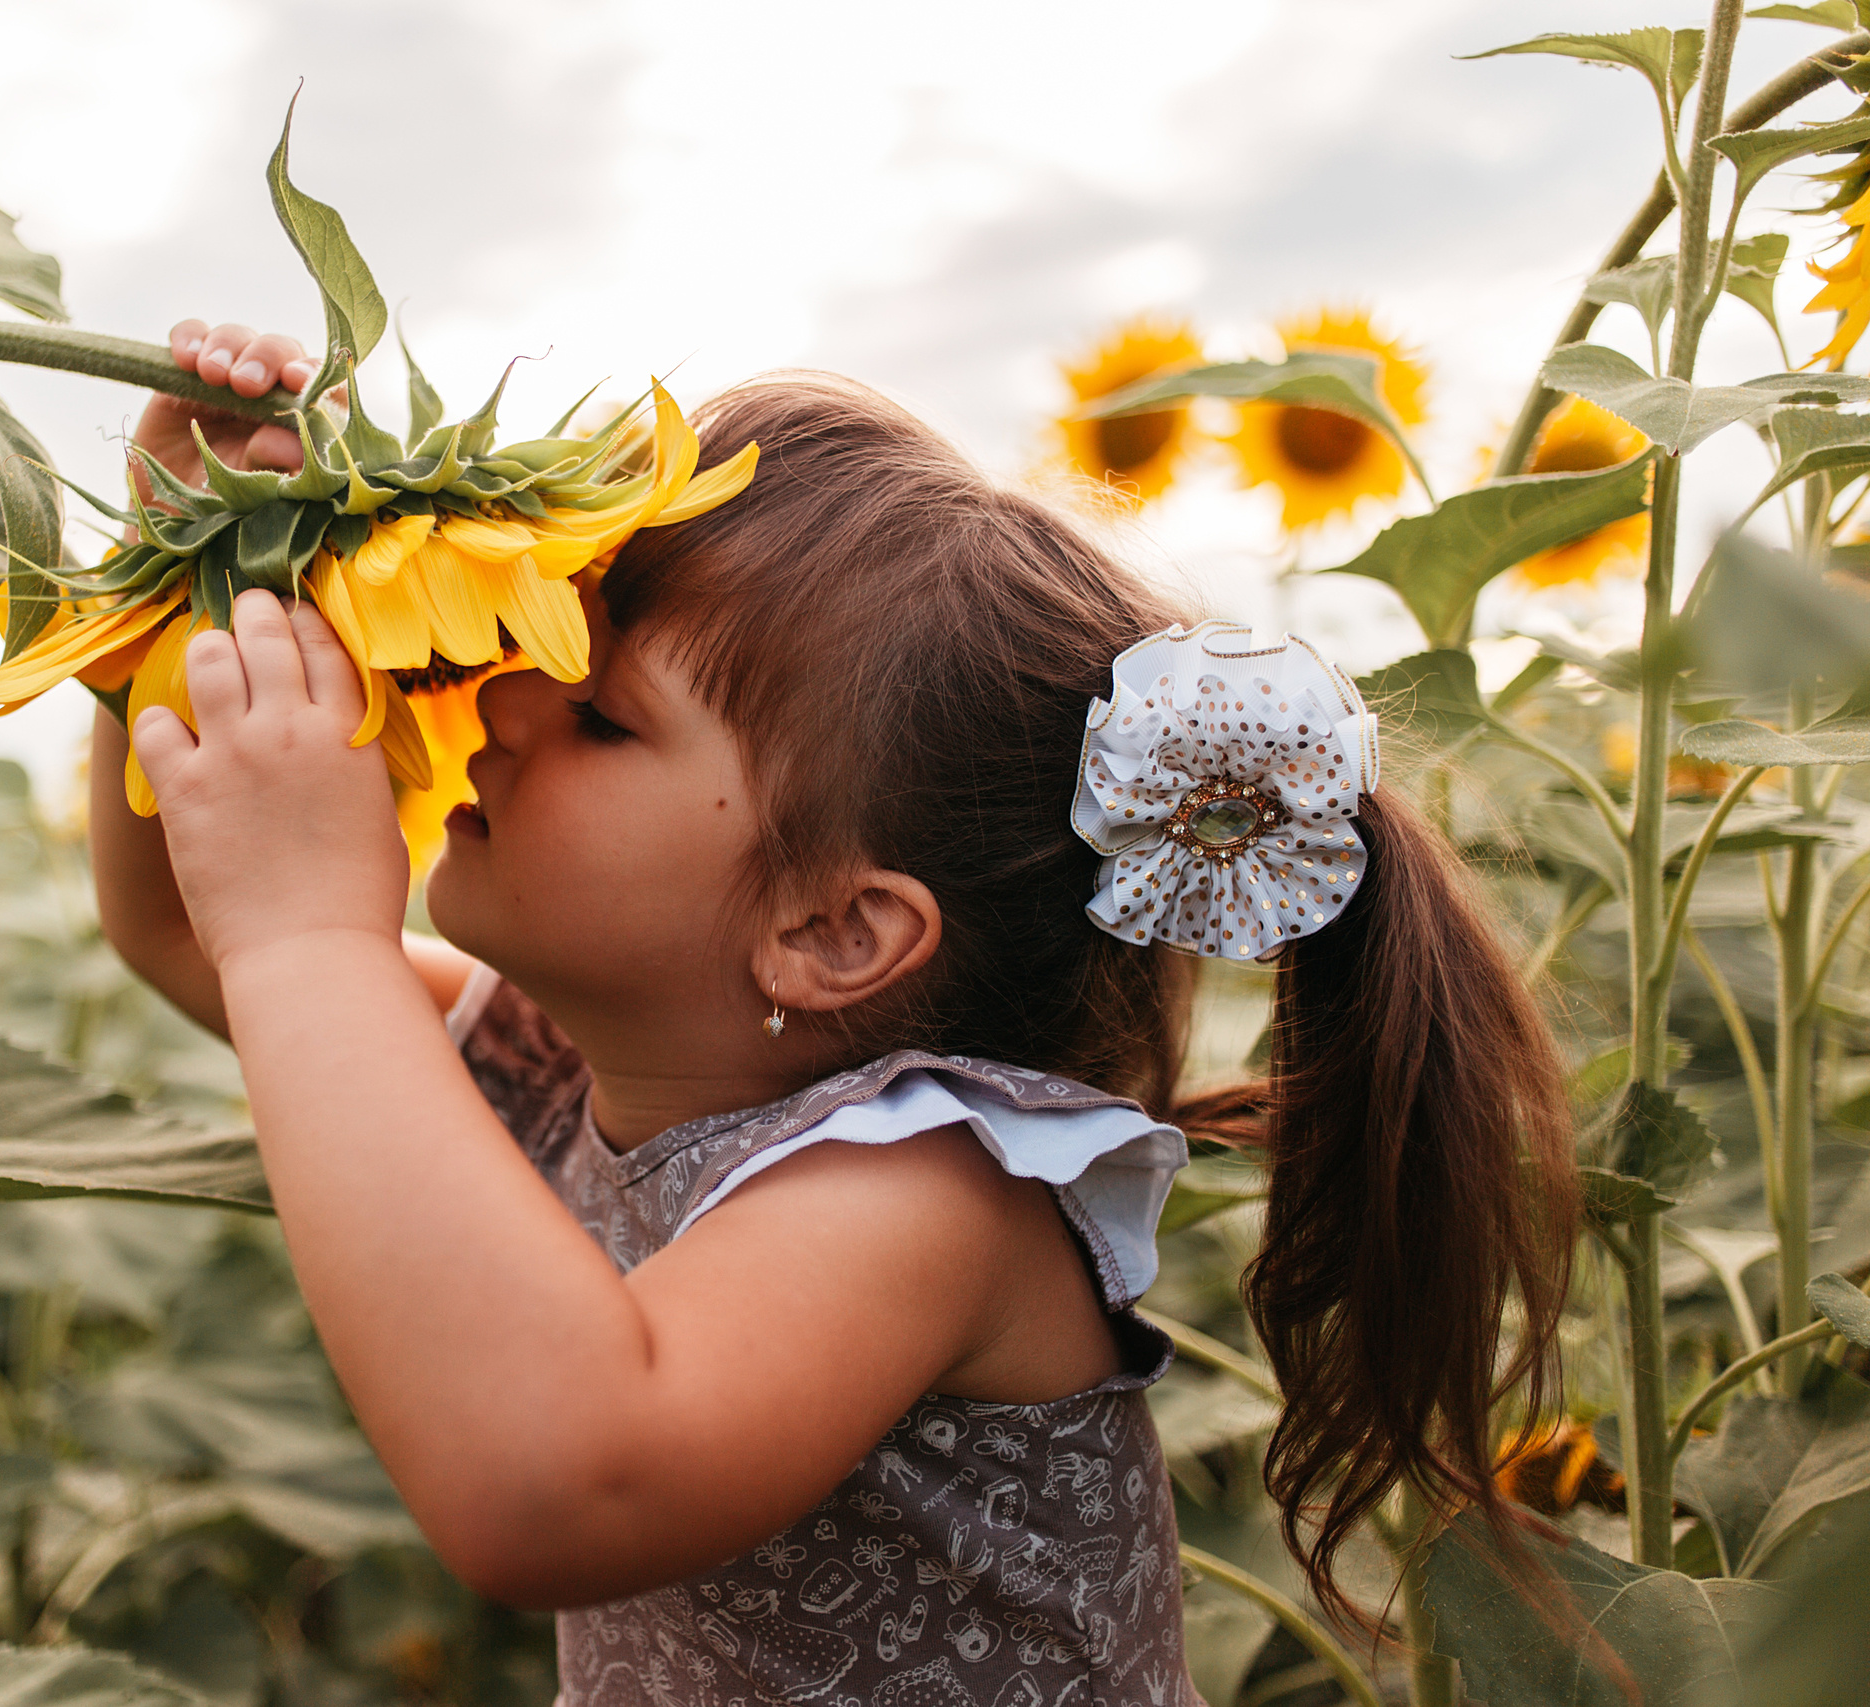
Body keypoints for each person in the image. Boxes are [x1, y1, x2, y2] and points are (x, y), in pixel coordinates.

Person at [88, 321, 1577, 1707]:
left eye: (598, 714)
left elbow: (556, 1484)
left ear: (835, 930)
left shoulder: (927, 1190)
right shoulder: (574, 1061)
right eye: (530, 649)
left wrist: (309, 935)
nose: (500, 705)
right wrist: (209, 561)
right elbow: (178, 931)